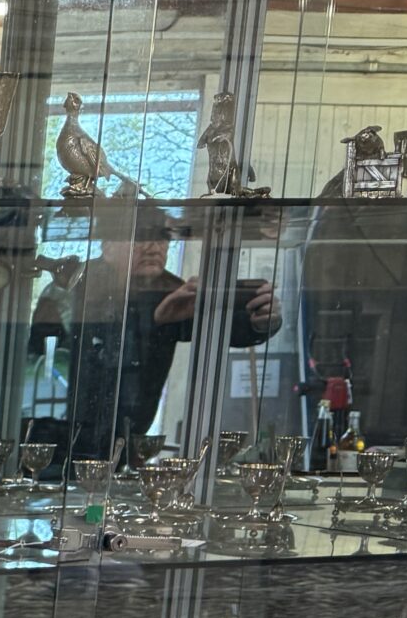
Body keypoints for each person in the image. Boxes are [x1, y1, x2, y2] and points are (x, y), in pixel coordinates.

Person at [33, 196, 281, 462]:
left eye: (163, 238)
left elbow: (223, 329)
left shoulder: (171, 289)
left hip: (132, 440)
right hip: (59, 437)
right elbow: (44, 357)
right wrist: (154, 321)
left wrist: (261, 322)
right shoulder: (74, 285)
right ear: (108, 245)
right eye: (140, 237)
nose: (154, 247)